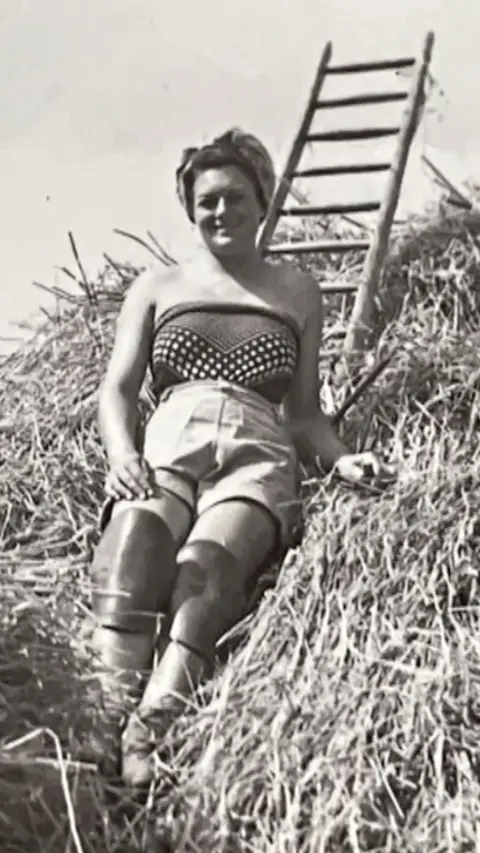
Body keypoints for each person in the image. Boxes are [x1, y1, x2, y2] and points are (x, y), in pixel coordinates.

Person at [87, 128, 390, 790]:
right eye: (205, 204)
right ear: (191, 211)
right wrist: (120, 449)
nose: (219, 212)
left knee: (208, 570)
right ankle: (99, 723)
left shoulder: (295, 291)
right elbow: (117, 386)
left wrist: (342, 460)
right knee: (135, 544)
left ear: (262, 199)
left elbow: (304, 413)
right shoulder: (158, 286)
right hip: (170, 437)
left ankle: (152, 726)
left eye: (233, 197)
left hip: (256, 451)